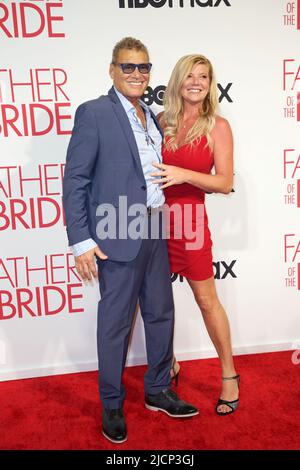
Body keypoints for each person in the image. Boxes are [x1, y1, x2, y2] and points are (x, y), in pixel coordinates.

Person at [62, 38, 198, 444]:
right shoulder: (95, 113)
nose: (137, 74)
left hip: (156, 228)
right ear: (112, 70)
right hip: (117, 231)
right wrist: (81, 241)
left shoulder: (152, 116)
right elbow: (76, 180)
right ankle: (112, 404)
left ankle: (157, 390)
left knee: (160, 313)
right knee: (115, 324)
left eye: (143, 68)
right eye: (128, 67)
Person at [151, 54, 240, 415]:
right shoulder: (161, 121)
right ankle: (167, 363)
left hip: (189, 223)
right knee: (154, 302)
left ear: (210, 83)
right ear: (178, 80)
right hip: (155, 222)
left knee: (206, 301)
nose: (196, 81)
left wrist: (184, 174)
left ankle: (229, 375)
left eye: (203, 76)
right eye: (190, 74)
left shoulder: (217, 125)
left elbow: (225, 182)